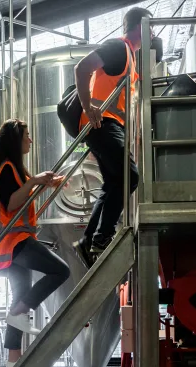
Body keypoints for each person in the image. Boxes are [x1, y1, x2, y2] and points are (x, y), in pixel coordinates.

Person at [0, 119, 71, 367]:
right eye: (27, 136)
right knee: (61, 271)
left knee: (19, 297)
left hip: (12, 243)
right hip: (15, 241)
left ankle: (12, 362)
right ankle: (21, 313)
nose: (31, 140)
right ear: (16, 140)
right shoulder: (6, 169)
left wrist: (45, 182)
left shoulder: (15, 170)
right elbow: (13, 203)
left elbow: (22, 194)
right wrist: (35, 181)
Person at [72, 7, 151, 268]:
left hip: (108, 125)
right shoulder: (118, 48)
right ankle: (101, 237)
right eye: (150, 26)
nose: (153, 32)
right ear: (141, 26)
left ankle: (89, 241)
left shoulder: (130, 54)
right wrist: (87, 107)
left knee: (113, 182)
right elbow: (82, 68)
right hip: (100, 123)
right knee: (131, 176)